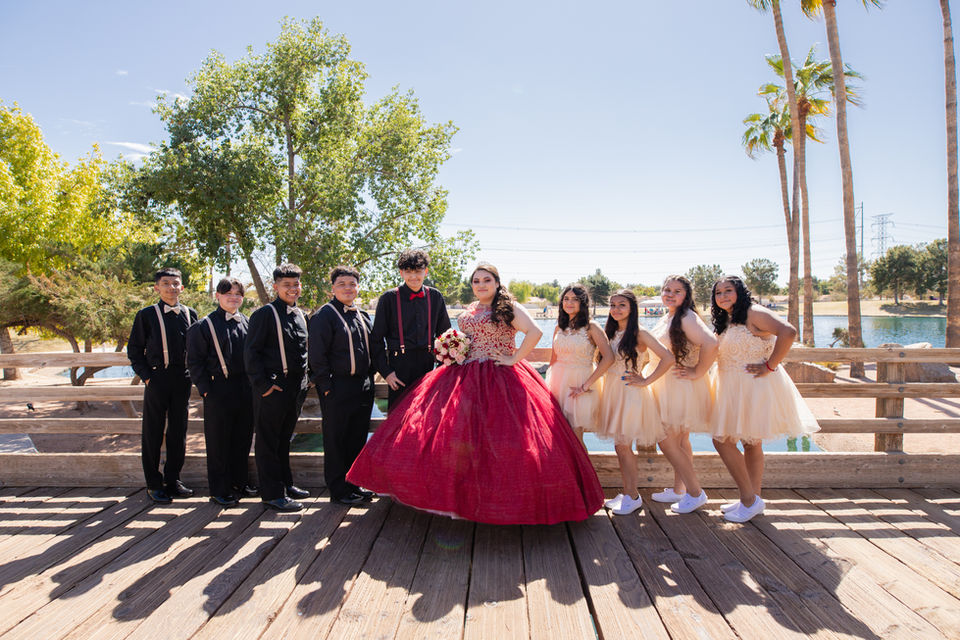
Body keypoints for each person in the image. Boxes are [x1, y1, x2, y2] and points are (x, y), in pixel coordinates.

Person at [347, 263, 604, 524]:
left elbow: (535, 332)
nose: (481, 285)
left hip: (501, 377)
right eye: (476, 281)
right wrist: (454, 348)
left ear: (496, 283)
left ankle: (509, 502)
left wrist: (514, 358)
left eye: (486, 280)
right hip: (463, 377)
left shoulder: (508, 307)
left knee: (506, 441)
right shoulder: (471, 309)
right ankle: (459, 499)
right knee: (454, 438)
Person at [710, 276, 819, 523]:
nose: (723, 296)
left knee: (723, 441)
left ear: (740, 292)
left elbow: (788, 332)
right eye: (718, 293)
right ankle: (751, 499)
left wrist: (771, 365)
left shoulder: (753, 312)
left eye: (729, 290)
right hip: (731, 386)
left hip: (753, 386)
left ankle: (750, 500)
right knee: (749, 443)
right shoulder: (727, 319)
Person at [595, 290, 674, 515]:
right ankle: (627, 491)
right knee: (620, 447)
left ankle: (633, 496)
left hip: (630, 393)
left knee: (623, 445)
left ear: (632, 308)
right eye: (613, 305)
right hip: (612, 391)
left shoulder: (640, 333)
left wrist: (646, 380)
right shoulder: (610, 332)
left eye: (622, 305)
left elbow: (668, 358)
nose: (616, 309)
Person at [646, 275, 717, 514]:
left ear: (686, 295)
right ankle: (680, 490)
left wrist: (698, 370)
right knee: (680, 439)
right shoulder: (669, 317)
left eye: (677, 291)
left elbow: (710, 343)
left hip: (677, 385)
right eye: (667, 289)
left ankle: (696, 493)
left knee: (665, 439)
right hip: (666, 383)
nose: (670, 294)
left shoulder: (687, 317)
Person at [128, 267, 198, 504]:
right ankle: (153, 483)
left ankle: (173, 479)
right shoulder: (146, 315)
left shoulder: (191, 314)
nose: (171, 287)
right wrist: (148, 377)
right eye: (166, 283)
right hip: (157, 379)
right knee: (153, 432)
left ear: (182, 287)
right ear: (157, 287)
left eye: (175, 283)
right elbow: (135, 351)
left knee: (179, 431)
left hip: (183, 380)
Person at [308, 266, 376, 506]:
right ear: (332, 288)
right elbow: (316, 355)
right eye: (342, 284)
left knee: (356, 438)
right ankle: (338, 490)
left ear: (358, 287)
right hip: (336, 387)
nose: (348, 288)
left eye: (352, 284)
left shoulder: (363, 315)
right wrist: (327, 387)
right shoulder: (323, 316)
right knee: (336, 440)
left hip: (363, 386)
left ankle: (354, 483)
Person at [186, 277, 256, 508]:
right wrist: (206, 391)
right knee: (218, 442)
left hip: (245, 389)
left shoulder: (246, 322)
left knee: (242, 439)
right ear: (218, 296)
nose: (233, 297)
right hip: (218, 389)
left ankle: (240, 482)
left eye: (238, 293)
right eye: (228, 293)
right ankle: (219, 489)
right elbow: (194, 363)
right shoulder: (203, 326)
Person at [245, 263, 310, 512]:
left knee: (285, 440)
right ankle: (272, 494)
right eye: (286, 285)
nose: (292, 289)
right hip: (273, 388)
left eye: (295, 284)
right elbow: (251, 354)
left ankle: (286, 484)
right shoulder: (264, 314)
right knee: (268, 442)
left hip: (296, 388)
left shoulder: (301, 315)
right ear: (275, 287)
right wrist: (264, 386)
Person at [371, 249, 451, 408]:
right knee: (398, 421)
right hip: (398, 367)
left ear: (426, 271)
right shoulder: (388, 298)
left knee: (425, 417)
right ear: (401, 273)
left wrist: (441, 370)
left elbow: (446, 336)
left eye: (418, 271)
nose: (413, 276)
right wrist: (386, 373)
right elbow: (376, 340)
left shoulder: (435, 297)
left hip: (427, 366)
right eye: (408, 271)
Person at [545, 283, 614, 443]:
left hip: (580, 383)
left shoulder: (592, 327)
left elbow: (609, 358)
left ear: (582, 303)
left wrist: (585, 386)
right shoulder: (559, 327)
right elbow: (553, 359)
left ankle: (582, 468)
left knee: (575, 435)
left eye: (574, 299)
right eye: (566, 299)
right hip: (557, 382)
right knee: (558, 434)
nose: (569, 302)